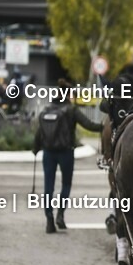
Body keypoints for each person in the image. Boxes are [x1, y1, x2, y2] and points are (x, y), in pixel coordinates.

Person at [33, 79, 101, 234]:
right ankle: (60, 215)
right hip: (66, 152)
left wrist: (35, 148)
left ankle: (49, 220)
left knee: (48, 187)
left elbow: (39, 131)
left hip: (48, 153)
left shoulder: (47, 109)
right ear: (68, 95)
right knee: (66, 185)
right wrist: (104, 126)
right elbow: (89, 124)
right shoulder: (71, 110)